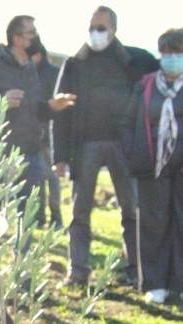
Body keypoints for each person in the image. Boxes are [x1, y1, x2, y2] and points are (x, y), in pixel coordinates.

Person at [54, 6, 159, 286]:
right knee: (79, 212)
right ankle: (78, 271)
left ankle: (137, 271)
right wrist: (60, 156)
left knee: (132, 210)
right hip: (85, 145)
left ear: (113, 29)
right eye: (91, 27)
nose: (95, 34)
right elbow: (61, 110)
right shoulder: (75, 63)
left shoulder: (136, 60)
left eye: (100, 28)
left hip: (124, 146)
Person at [0, 16, 75, 222]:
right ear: (16, 38)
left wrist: (52, 106)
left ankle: (21, 253)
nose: (36, 38)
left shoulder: (30, 70)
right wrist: (1, 102)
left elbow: (34, 110)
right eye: (31, 33)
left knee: (26, 220)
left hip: (30, 154)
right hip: (1, 155)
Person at [123, 28, 183, 304]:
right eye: (167, 52)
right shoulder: (145, 85)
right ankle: (155, 283)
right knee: (153, 223)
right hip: (152, 166)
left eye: (177, 52)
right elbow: (128, 123)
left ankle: (179, 282)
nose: (171, 58)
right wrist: (132, 153)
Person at [29, 38, 63, 228]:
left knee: (52, 177)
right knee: (38, 177)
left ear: (39, 55)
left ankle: (56, 216)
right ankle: (39, 216)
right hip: (33, 134)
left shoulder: (52, 74)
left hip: (50, 134)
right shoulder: (28, 75)